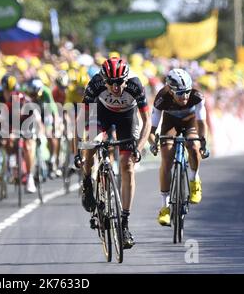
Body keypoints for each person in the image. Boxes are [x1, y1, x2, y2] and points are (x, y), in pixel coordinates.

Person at [74, 57, 151, 249]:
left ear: (126, 79)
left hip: (127, 117)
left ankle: (124, 225)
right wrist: (77, 150)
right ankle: (87, 181)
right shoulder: (96, 84)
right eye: (110, 83)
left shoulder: (135, 85)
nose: (115, 87)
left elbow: (147, 121)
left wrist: (139, 149)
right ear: (103, 80)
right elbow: (80, 118)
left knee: (127, 165)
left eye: (119, 83)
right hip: (102, 113)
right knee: (91, 144)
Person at [148, 69, 208, 227]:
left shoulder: (197, 96)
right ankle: (165, 207)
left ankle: (194, 179)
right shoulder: (161, 98)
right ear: (170, 90)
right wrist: (153, 143)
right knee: (166, 159)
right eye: (180, 93)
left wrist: (203, 142)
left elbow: (202, 124)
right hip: (170, 124)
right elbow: (151, 129)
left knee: (193, 147)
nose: (185, 96)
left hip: (190, 122)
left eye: (187, 92)